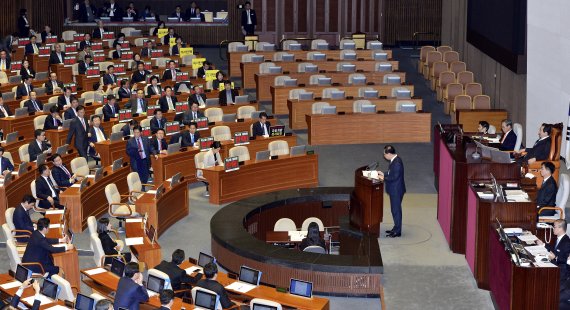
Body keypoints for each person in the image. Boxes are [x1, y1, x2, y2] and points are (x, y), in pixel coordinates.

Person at [378, 145, 406, 237]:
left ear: (389, 154)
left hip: (396, 191)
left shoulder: (397, 163)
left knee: (396, 210)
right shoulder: (394, 160)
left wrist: (383, 178)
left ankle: (397, 231)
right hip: (395, 190)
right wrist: (384, 173)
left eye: (384, 154)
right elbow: (391, 172)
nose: (384, 155)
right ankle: (396, 227)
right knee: (394, 210)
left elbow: (394, 177)